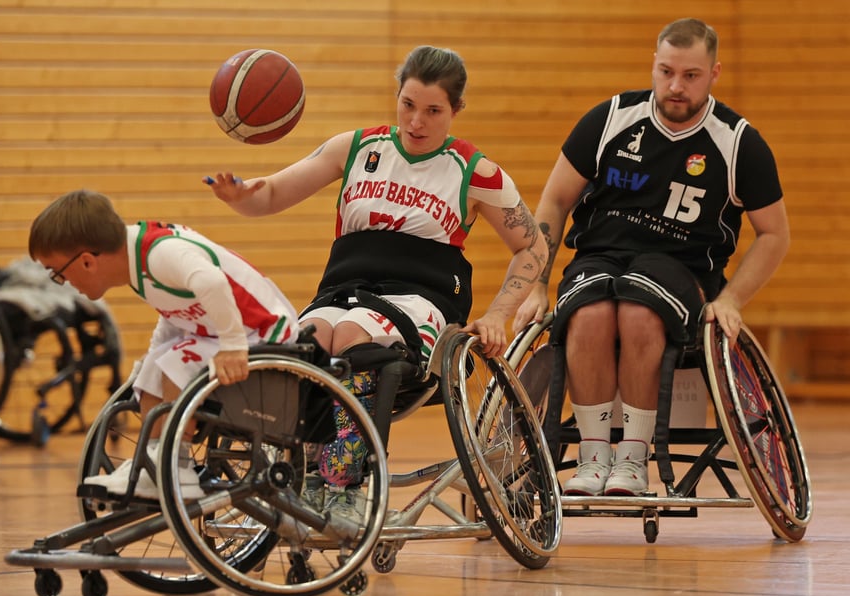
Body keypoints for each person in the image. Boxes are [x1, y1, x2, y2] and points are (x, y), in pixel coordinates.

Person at [206, 45, 548, 517]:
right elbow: (270, 196)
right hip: (343, 290)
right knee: (308, 342)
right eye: (408, 105)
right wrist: (239, 195)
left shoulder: (474, 171)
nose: (416, 122)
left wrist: (498, 314)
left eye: (433, 111)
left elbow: (532, 246)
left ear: (456, 111)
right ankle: (303, 473)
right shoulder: (358, 147)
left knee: (351, 340)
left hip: (421, 297)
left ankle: (346, 483)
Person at [512, 18, 790, 496]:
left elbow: (774, 235)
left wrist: (734, 300)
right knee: (588, 313)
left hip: (682, 267)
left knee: (640, 313)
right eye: (666, 72)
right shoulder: (611, 118)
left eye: (690, 75)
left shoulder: (738, 142)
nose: (675, 86)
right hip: (599, 257)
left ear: (714, 73)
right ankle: (595, 458)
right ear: (654, 65)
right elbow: (555, 201)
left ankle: (634, 461)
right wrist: (536, 283)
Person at [28, 189, 300, 500]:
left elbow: (211, 282)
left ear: (87, 261)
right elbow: (175, 315)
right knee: (154, 366)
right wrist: (150, 363)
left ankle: (176, 464)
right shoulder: (135, 261)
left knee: (176, 362)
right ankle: (154, 462)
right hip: (233, 333)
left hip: (266, 331)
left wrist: (233, 345)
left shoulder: (160, 253)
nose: (65, 283)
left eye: (59, 274)